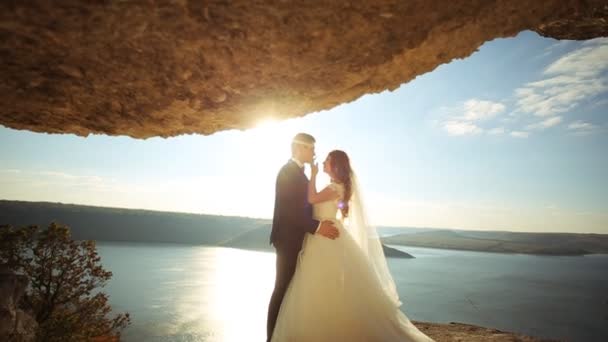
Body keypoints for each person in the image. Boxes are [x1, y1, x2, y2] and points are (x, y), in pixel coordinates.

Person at [271, 150, 435, 341]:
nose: (323, 162)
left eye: (327, 161)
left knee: (322, 281)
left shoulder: (335, 187)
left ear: (336, 166)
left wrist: (314, 174)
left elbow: (312, 199)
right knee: (323, 281)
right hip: (322, 234)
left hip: (325, 236)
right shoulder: (336, 186)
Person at [266, 133, 340, 342]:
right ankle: (271, 338)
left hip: (296, 238)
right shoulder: (288, 172)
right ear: (299, 148)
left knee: (290, 289)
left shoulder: (300, 174)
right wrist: (317, 227)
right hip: (288, 240)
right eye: (311, 148)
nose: (314, 152)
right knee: (281, 288)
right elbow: (291, 211)